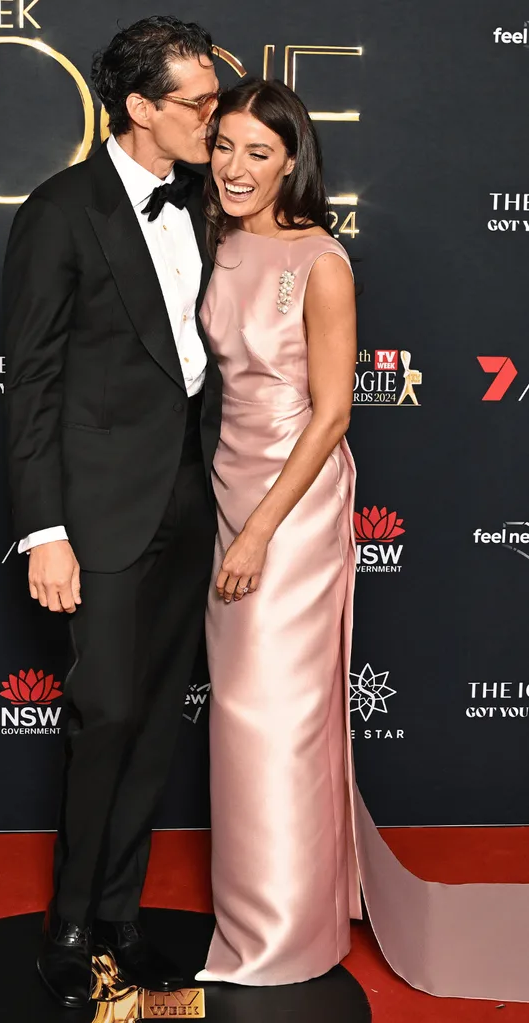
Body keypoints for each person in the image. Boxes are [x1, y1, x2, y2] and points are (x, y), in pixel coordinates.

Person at [195, 77, 529, 1003]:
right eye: (223, 145)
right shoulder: (218, 241)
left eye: (258, 153)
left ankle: (282, 934)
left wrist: (261, 529)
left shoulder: (321, 262)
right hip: (228, 485)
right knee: (243, 714)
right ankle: (283, 901)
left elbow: (334, 412)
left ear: (293, 160)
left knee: (275, 715)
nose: (234, 167)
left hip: (291, 507)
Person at [2, 17, 222, 1009]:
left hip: (192, 498)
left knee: (157, 721)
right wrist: (45, 529)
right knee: (109, 715)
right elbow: (33, 384)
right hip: (99, 514)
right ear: (140, 108)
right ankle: (72, 925)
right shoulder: (61, 210)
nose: (214, 121)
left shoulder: (210, 203)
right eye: (199, 104)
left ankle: (124, 920)